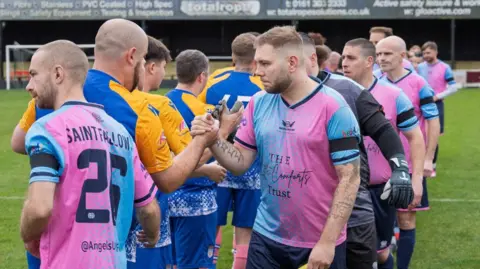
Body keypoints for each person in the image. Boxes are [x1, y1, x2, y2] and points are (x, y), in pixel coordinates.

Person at [12, 18, 217, 269]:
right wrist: (204, 141)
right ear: (132, 57)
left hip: (47, 242)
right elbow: (167, 181)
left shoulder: (49, 95)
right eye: (143, 61)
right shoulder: (139, 109)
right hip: (110, 246)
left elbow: (19, 142)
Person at [191, 25, 361, 269]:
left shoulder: (333, 107)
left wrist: (327, 242)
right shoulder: (260, 102)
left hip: (316, 242)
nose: (256, 72)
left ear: (292, 62)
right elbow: (240, 162)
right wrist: (214, 137)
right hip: (265, 237)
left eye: (265, 63)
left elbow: (350, 178)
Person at [20, 40, 161, 269]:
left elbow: (39, 209)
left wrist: (28, 234)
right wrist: (152, 235)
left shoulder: (47, 129)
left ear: (58, 74)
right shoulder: (120, 132)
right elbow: (149, 208)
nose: (29, 85)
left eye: (34, 74)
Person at [301, 33, 414, 269]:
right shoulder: (271, 96)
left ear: (308, 57)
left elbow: (384, 131)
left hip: (353, 213)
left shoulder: (346, 89)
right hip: (300, 216)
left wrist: (401, 168)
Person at [342, 38, 426, 269]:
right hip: (343, 186)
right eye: (343, 58)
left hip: (379, 188)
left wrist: (415, 178)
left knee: (379, 254)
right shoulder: (334, 92)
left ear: (369, 61)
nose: (344, 63)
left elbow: (415, 137)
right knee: (342, 251)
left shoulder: (393, 94)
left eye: (351, 58)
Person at [199, 32, 263, 269]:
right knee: (245, 230)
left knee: (212, 224)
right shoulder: (263, 83)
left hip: (218, 160)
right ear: (258, 57)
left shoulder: (215, 79)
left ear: (233, 55)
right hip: (252, 164)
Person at [376, 36, 440, 269]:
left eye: (387, 54)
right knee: (377, 222)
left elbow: (433, 122)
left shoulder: (419, 84)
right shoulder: (376, 82)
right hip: (380, 166)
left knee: (405, 219)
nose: (381, 58)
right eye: (379, 53)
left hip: (410, 165)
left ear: (402, 56)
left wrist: (428, 158)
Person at [165, 49, 222, 269]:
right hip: (196, 198)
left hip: (165, 195)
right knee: (197, 263)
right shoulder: (206, 112)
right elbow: (211, 154)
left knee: (168, 262)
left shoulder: (160, 103)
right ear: (202, 77)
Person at [417, 41, 459, 177]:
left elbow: (454, 87)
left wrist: (437, 96)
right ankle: (418, 162)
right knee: (419, 133)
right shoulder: (420, 67)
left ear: (435, 52)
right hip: (419, 104)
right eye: (423, 53)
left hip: (436, 104)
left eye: (428, 52)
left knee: (433, 135)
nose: (425, 55)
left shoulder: (444, 67)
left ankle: (432, 166)